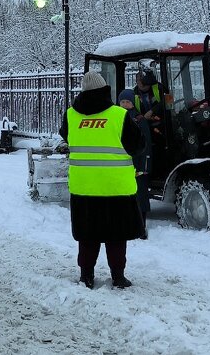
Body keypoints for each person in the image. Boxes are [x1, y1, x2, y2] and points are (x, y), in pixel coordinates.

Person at [60, 71, 144, 289]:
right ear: (105, 90)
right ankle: (118, 276)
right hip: (115, 187)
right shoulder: (119, 115)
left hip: (84, 187)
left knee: (87, 236)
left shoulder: (71, 116)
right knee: (116, 236)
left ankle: (86, 275)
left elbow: (65, 136)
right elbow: (137, 146)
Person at [119, 88, 152, 231]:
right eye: (122, 102)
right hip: (122, 164)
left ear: (133, 103)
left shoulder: (139, 120)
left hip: (138, 164)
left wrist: (144, 167)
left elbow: (146, 144)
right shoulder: (117, 119)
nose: (125, 104)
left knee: (141, 195)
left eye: (128, 102)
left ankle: (141, 226)